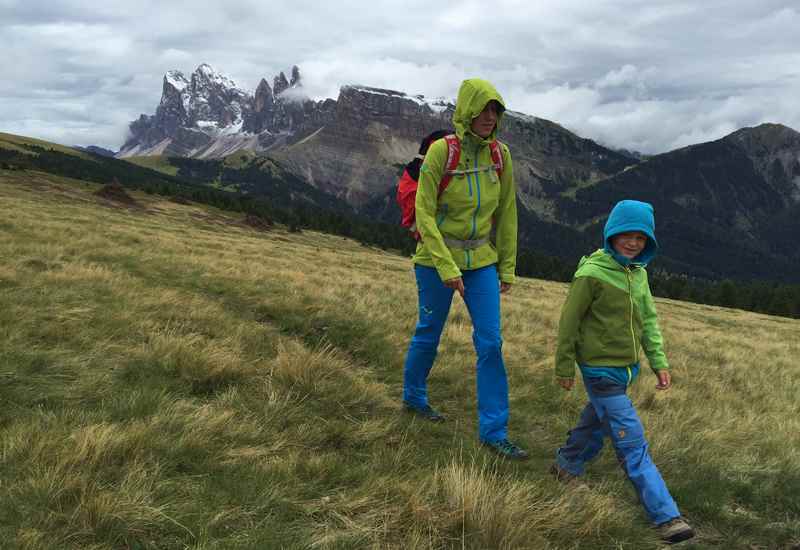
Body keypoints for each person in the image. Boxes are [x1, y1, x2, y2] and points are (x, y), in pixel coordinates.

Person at [551, 199, 695, 544]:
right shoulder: (591, 274)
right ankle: (666, 516)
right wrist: (564, 366)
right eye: (626, 235)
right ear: (611, 234)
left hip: (625, 370)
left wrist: (658, 362)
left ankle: (566, 465)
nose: (633, 243)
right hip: (598, 370)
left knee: (597, 421)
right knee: (632, 442)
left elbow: (647, 321)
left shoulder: (638, 274)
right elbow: (568, 323)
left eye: (641, 238)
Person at [401, 78, 527, 460]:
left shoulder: (501, 156)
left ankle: (494, 430)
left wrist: (507, 267)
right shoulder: (442, 152)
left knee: (491, 343)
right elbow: (423, 212)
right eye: (483, 109)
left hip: (481, 263)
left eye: (495, 110)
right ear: (467, 110)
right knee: (429, 333)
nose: (490, 117)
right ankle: (414, 398)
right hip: (436, 260)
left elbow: (507, 213)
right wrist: (444, 265)